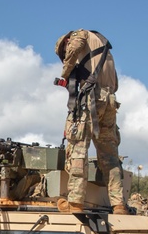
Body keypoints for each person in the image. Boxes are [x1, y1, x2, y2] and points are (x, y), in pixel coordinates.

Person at [53, 29, 126, 214]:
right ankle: (118, 205)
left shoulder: (79, 35)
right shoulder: (103, 46)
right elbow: (115, 83)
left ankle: (75, 203)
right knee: (110, 157)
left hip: (90, 100)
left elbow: (74, 49)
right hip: (109, 102)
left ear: (66, 41)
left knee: (78, 149)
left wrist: (66, 73)